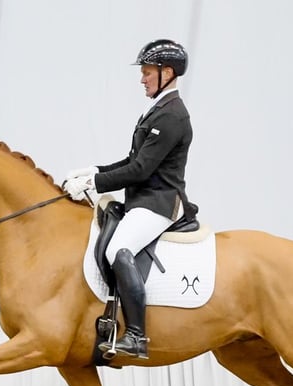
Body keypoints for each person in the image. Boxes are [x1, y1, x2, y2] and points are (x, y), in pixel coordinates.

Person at [63, 39, 196, 360]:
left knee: (117, 250)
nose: (142, 79)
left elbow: (140, 170)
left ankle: (136, 335)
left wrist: (94, 183)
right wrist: (94, 169)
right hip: (143, 200)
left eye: (148, 72)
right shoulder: (158, 110)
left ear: (168, 72)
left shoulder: (172, 116)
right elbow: (131, 159)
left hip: (158, 202)